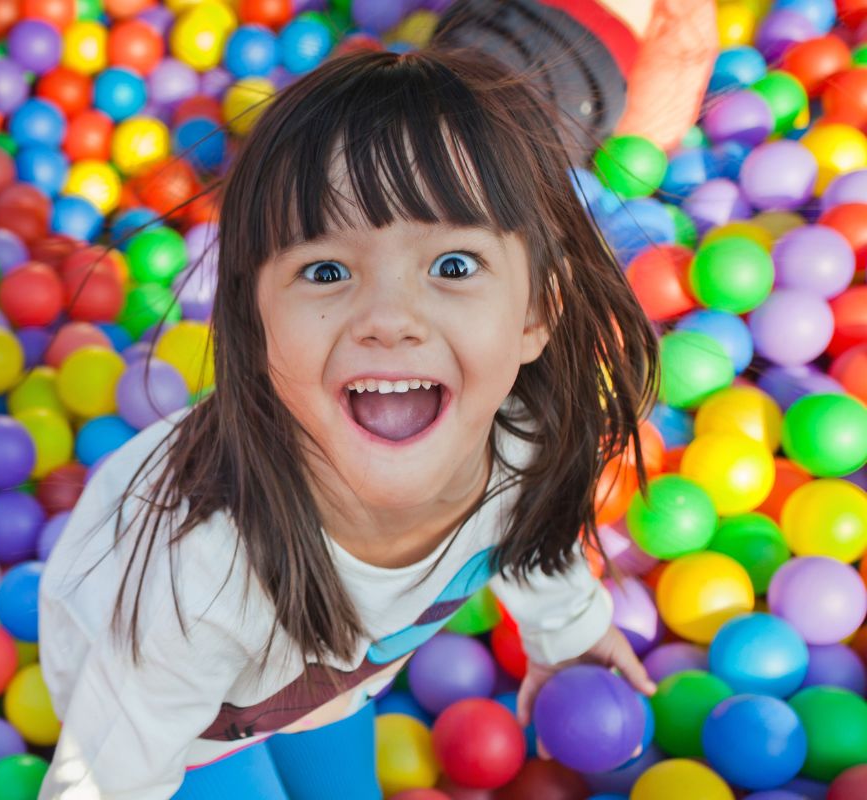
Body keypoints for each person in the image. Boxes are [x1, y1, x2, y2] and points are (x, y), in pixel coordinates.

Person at [39, 46, 661, 800]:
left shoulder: (520, 442)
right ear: (254, 320)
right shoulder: (200, 583)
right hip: (181, 727)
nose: (390, 320)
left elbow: (531, 536)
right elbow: (107, 779)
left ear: (536, 310)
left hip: (320, 686)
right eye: (327, 271)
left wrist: (565, 636)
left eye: (454, 265)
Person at [431, 0, 719, 160]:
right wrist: (636, 149)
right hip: (577, 75)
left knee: (439, 96)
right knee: (512, 159)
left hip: (494, 23)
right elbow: (660, 104)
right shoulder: (691, 9)